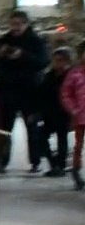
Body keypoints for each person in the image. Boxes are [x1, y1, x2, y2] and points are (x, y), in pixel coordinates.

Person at [0, 10, 48, 173]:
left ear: (26, 24)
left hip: (29, 91)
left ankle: (35, 161)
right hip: (7, 91)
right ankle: (2, 162)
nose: (15, 28)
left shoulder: (36, 41)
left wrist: (23, 55)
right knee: (4, 129)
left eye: (18, 24)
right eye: (12, 24)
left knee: (32, 128)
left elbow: (42, 62)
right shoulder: (3, 41)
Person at [36, 48, 73, 177]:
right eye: (55, 61)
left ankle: (61, 165)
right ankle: (54, 162)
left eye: (60, 61)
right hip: (49, 113)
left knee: (62, 139)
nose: (57, 64)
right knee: (40, 137)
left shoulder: (71, 76)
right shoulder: (49, 76)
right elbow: (42, 94)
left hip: (64, 113)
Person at [58, 40, 85, 190]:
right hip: (80, 116)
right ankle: (76, 170)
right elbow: (65, 94)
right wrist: (73, 109)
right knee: (78, 146)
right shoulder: (75, 73)